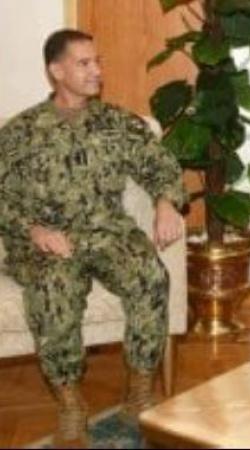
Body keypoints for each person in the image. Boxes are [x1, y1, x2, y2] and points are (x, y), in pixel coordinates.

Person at [0, 29, 187, 446]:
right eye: (84, 63)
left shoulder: (117, 123)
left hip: (107, 232)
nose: (97, 71)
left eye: (97, 61)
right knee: (54, 288)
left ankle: (139, 394)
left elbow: (160, 165)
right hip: (47, 242)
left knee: (150, 276)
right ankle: (70, 405)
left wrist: (165, 202)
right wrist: (34, 230)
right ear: (56, 71)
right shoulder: (21, 132)